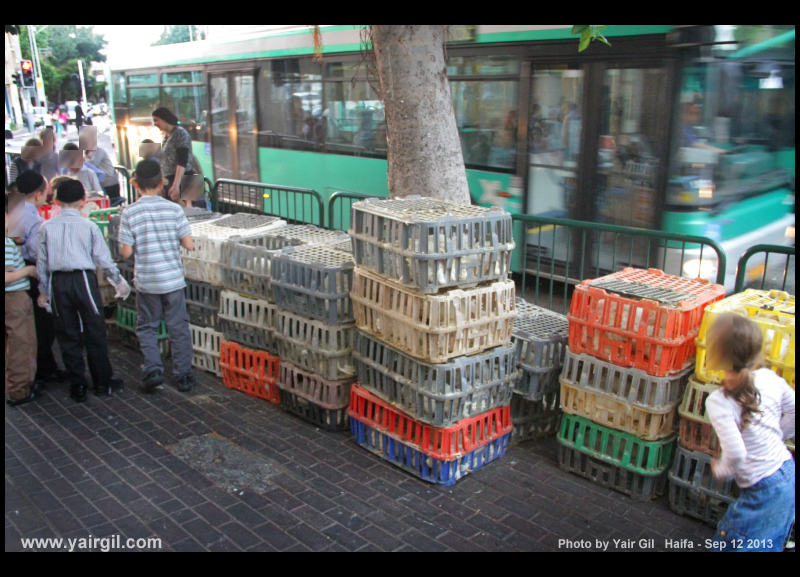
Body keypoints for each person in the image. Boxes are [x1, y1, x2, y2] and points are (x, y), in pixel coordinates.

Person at [705, 313, 795, 552]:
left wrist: (720, 469)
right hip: (787, 472)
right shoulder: (769, 378)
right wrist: (779, 436)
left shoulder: (718, 401)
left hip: (762, 489)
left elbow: (736, 454)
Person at [36, 179, 131, 402]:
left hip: (58, 282)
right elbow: (103, 259)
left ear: (56, 200)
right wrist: (118, 281)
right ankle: (101, 382)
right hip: (84, 280)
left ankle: (77, 385)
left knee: (67, 334)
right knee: (95, 330)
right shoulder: (89, 227)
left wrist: (44, 291)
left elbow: (42, 264)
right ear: (84, 201)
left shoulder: (46, 227)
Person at [119, 160, 196, 393]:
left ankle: (153, 369)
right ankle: (183, 375)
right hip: (172, 280)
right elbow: (189, 244)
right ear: (162, 181)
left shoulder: (129, 212)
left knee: (147, 327)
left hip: (147, 281)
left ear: (135, 183)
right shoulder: (174, 210)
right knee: (178, 327)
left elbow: (126, 252)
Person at [15, 171, 64, 384]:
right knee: (42, 324)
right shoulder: (33, 220)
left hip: (16, 271)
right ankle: (41, 371)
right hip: (27, 271)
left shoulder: (13, 206)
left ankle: (44, 367)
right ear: (38, 195)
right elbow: (38, 253)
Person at [5, 194, 44, 406]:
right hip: (13, 298)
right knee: (22, 345)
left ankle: (17, 386)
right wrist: (28, 270)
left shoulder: (10, 240)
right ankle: (19, 391)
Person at [151, 107, 203, 207]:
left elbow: (182, 160)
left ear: (164, 119)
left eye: (156, 120)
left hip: (186, 179)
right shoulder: (167, 136)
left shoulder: (179, 133)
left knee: (194, 213)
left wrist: (175, 185)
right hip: (174, 180)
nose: (155, 124)